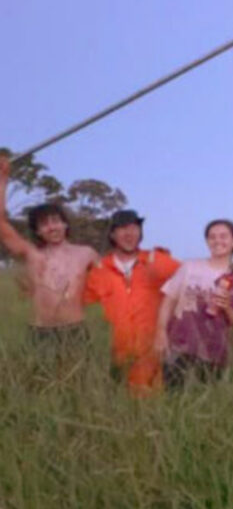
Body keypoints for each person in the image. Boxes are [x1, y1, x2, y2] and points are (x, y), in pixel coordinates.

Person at [0, 152, 99, 361]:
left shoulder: (87, 254)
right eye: (44, 224)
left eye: (55, 220)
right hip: (41, 334)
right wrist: (3, 180)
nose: (51, 227)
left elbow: (115, 281)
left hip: (75, 332)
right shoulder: (32, 254)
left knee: (79, 389)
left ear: (65, 224)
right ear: (37, 231)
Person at [84, 209, 182, 395]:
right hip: (117, 358)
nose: (129, 233)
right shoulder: (99, 269)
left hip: (155, 354)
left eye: (134, 228)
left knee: (156, 408)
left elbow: (192, 280)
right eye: (122, 229)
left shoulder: (158, 260)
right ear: (112, 234)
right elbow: (79, 305)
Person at [154, 219, 233, 389]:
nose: (217, 241)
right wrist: (161, 332)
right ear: (207, 241)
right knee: (173, 398)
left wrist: (227, 308)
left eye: (223, 236)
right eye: (212, 237)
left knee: (207, 401)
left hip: (214, 353)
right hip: (178, 347)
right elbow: (168, 301)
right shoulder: (189, 267)